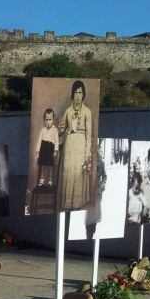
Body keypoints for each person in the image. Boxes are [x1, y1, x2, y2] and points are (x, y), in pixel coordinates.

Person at [57, 80, 93, 210]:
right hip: (69, 146)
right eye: (76, 92)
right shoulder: (68, 111)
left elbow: (89, 135)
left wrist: (86, 153)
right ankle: (67, 203)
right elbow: (61, 131)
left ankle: (77, 203)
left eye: (80, 92)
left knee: (78, 172)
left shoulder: (87, 112)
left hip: (81, 144)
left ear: (83, 95)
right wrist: (61, 128)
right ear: (72, 94)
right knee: (68, 170)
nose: (78, 95)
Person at [35, 108, 59, 187]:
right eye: (46, 120)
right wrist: (38, 152)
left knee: (50, 166)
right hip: (43, 149)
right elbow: (39, 141)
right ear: (44, 120)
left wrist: (55, 150)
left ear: (53, 120)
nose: (48, 122)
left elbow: (56, 141)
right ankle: (42, 180)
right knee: (43, 166)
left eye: (50, 119)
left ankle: (50, 181)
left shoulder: (55, 130)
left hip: (50, 150)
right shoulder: (43, 130)